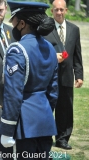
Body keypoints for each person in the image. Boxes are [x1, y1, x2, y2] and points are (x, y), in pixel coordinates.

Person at [0, 1, 58, 159]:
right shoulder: (50, 48)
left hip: (23, 125)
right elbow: (53, 91)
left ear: (22, 23)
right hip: (44, 121)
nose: (11, 24)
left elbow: (13, 94)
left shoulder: (17, 50)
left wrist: (6, 130)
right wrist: (43, 113)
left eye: (13, 21)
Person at [44, 0, 83, 150]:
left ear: (66, 10)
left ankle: (62, 138)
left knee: (65, 109)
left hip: (67, 77)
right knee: (47, 108)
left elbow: (77, 55)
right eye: (56, 10)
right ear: (51, 11)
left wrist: (79, 75)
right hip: (48, 77)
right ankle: (45, 137)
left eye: (61, 10)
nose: (59, 13)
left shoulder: (74, 29)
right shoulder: (45, 29)